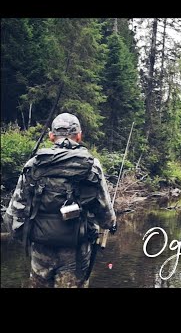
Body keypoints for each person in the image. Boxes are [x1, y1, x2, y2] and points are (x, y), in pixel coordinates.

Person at [3, 113, 116, 288]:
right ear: (79, 135)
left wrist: (23, 237)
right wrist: (110, 224)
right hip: (77, 250)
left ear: (51, 136)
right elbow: (105, 212)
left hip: (41, 247)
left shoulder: (34, 164)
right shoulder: (91, 165)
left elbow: (14, 211)